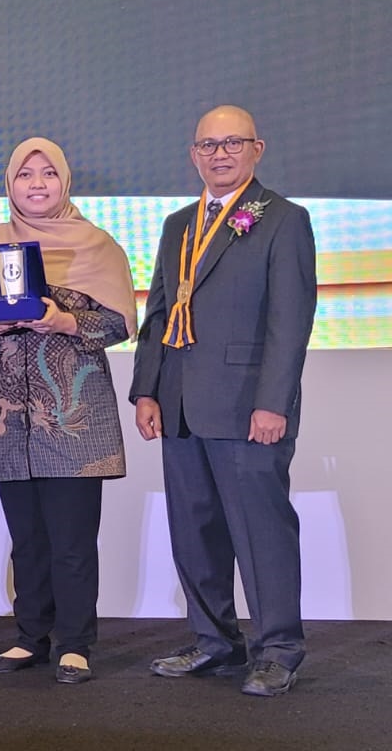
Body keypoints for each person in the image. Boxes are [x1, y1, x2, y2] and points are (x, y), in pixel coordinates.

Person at [131, 105, 316, 698]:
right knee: (194, 533)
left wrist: (273, 403)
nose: (220, 154)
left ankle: (278, 650)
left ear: (257, 149)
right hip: (181, 405)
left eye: (232, 142)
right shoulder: (177, 224)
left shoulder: (284, 219)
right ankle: (215, 641)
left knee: (262, 534)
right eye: (208, 145)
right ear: (194, 155)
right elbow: (159, 313)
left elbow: (291, 322)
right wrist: (146, 389)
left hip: (247, 407)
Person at [0, 137, 136, 685]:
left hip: (73, 417)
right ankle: (30, 636)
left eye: (48, 174)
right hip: (5, 418)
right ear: (9, 184)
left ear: (65, 181)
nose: (36, 184)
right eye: (25, 175)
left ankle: (75, 642)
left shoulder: (97, 245)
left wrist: (65, 321)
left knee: (73, 539)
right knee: (27, 538)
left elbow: (120, 323)